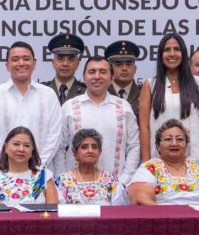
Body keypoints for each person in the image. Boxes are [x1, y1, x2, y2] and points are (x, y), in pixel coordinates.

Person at [54, 56, 140, 185]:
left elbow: (134, 146)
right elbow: (59, 147)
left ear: (112, 78)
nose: (97, 76)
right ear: (84, 77)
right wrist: (63, 179)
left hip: (115, 186)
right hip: (75, 187)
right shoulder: (69, 107)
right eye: (92, 72)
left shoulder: (124, 107)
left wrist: (124, 180)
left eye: (103, 72)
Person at [0, 41, 62, 170]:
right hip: (4, 172)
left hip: (41, 172)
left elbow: (55, 134)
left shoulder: (48, 94)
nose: (21, 63)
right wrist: (9, 164)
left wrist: (38, 165)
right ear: (7, 66)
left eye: (26, 59)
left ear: (34, 64)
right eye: (15, 59)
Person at [139, 33, 199, 163]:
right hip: (160, 162)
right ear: (160, 55)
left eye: (176, 49)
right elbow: (144, 127)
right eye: (167, 50)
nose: (172, 54)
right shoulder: (150, 85)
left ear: (183, 53)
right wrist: (146, 161)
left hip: (197, 159)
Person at [128, 119, 199, 206]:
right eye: (168, 139)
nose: (174, 143)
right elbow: (140, 200)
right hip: (163, 213)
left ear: (186, 145)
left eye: (180, 139)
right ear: (158, 146)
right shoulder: (149, 168)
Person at [0, 126, 58, 205]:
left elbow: (52, 210)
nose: (21, 149)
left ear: (32, 150)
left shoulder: (43, 176)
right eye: (16, 144)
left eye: (26, 145)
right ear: (6, 147)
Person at [56, 128, 129, 205]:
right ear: (75, 153)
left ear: (99, 152)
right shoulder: (63, 180)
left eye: (94, 147)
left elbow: (119, 208)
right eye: (84, 147)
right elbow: (59, 209)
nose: (90, 151)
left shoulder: (110, 179)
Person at [40, 34, 86, 105]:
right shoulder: (41, 91)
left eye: (71, 59)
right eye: (60, 59)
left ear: (77, 64)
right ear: (53, 63)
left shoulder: (86, 92)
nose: (65, 63)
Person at [106, 40, 141, 120]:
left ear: (135, 69)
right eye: (118, 64)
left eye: (128, 64)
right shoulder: (103, 93)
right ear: (111, 69)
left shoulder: (144, 93)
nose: (124, 68)